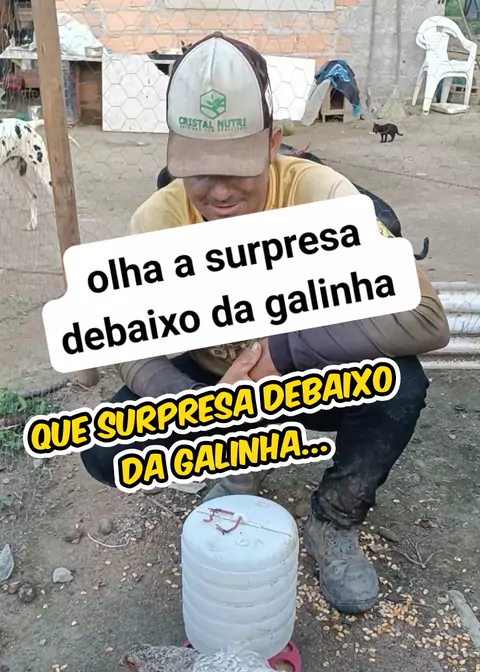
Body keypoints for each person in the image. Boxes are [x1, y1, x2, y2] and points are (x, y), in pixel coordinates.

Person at [80, 32, 450, 616]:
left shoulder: (322, 198)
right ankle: (234, 469)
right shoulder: (156, 221)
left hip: (307, 383)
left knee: (399, 386)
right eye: (199, 172)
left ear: (274, 142)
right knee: (106, 448)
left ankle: (333, 518)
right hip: (213, 388)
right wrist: (178, 399)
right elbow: (122, 336)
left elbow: (425, 317)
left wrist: (285, 352)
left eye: (237, 168)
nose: (219, 191)